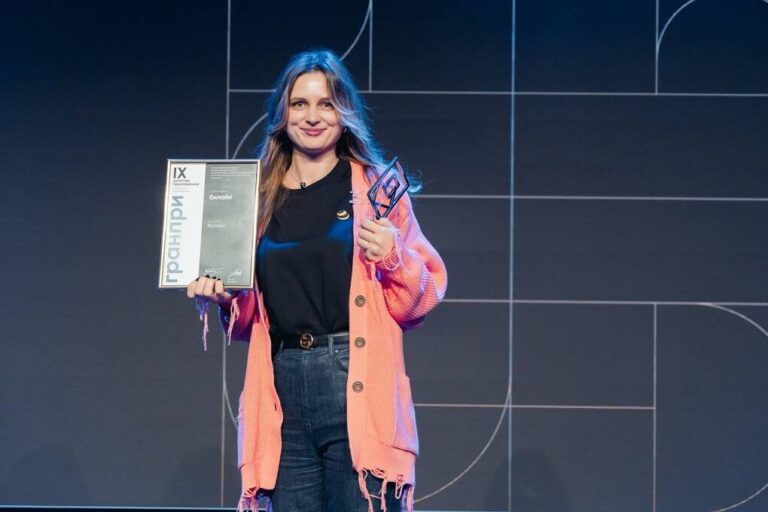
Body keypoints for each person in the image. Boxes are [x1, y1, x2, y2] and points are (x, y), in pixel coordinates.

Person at [187, 49, 447, 512]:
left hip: (353, 378)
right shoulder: (256, 197)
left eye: (326, 103)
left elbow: (420, 301)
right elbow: (248, 321)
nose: (312, 117)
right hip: (282, 385)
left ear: (344, 113)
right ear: (282, 114)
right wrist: (225, 297)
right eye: (300, 104)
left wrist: (393, 256)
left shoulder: (376, 190)